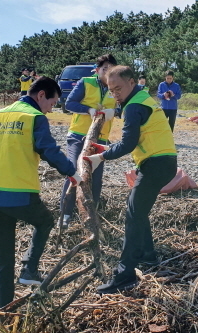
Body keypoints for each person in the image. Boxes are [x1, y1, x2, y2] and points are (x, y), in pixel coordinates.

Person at [0, 76, 81, 308]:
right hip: (20, 195)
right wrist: (72, 172)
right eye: (52, 104)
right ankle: (29, 269)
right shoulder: (34, 117)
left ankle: (3, 311)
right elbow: (49, 150)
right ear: (41, 95)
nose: (49, 110)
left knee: (2, 264)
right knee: (45, 222)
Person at [84, 65, 176, 294]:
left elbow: (128, 144)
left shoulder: (134, 106)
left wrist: (101, 157)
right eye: (111, 90)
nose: (114, 94)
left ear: (132, 82)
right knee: (137, 210)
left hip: (157, 164)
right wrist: (106, 148)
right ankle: (148, 256)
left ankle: (125, 275)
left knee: (133, 215)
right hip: (160, 162)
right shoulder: (141, 99)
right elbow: (136, 139)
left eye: (118, 88)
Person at [61, 54, 117, 227]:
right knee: (75, 172)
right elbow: (69, 103)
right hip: (78, 134)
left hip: (101, 138)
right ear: (98, 69)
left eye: (111, 69)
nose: (108, 72)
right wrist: (88, 110)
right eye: (105, 68)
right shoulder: (86, 82)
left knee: (97, 177)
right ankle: (65, 214)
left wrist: (114, 112)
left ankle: (92, 214)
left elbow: (123, 107)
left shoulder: (115, 87)